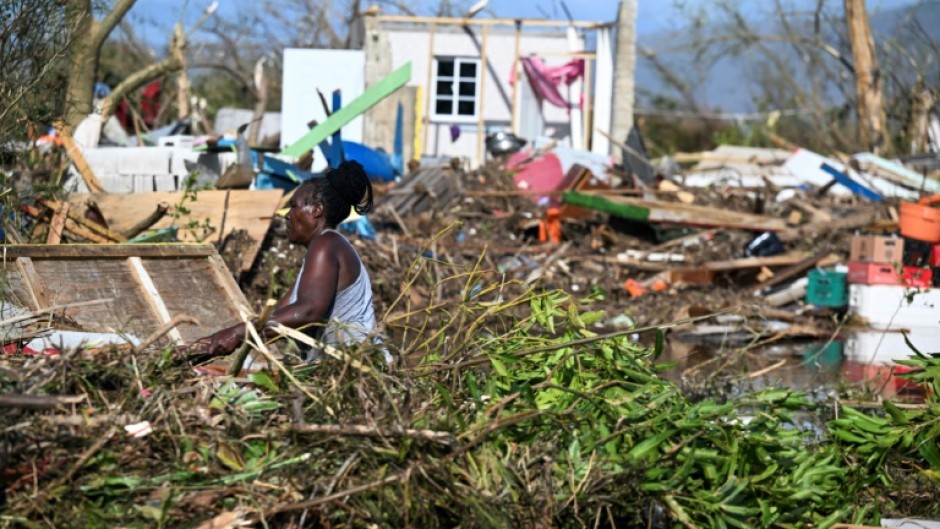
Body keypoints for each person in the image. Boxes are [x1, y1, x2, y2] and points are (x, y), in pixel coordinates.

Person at [185, 160, 377, 362]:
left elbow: (308, 311)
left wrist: (237, 333)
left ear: (317, 210)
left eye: (294, 206)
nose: (287, 216)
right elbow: (276, 321)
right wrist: (209, 345)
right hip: (335, 374)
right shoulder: (320, 255)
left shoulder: (326, 244)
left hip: (356, 370)